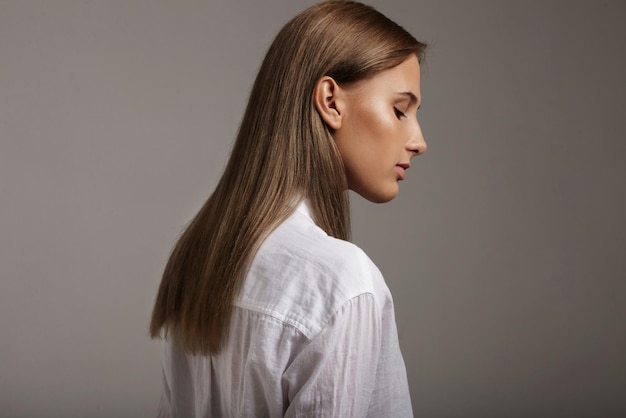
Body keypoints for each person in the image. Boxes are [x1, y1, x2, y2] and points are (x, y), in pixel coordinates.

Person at [150, 1, 427, 416]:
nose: (419, 141)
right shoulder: (341, 282)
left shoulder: (199, 252)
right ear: (331, 101)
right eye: (400, 110)